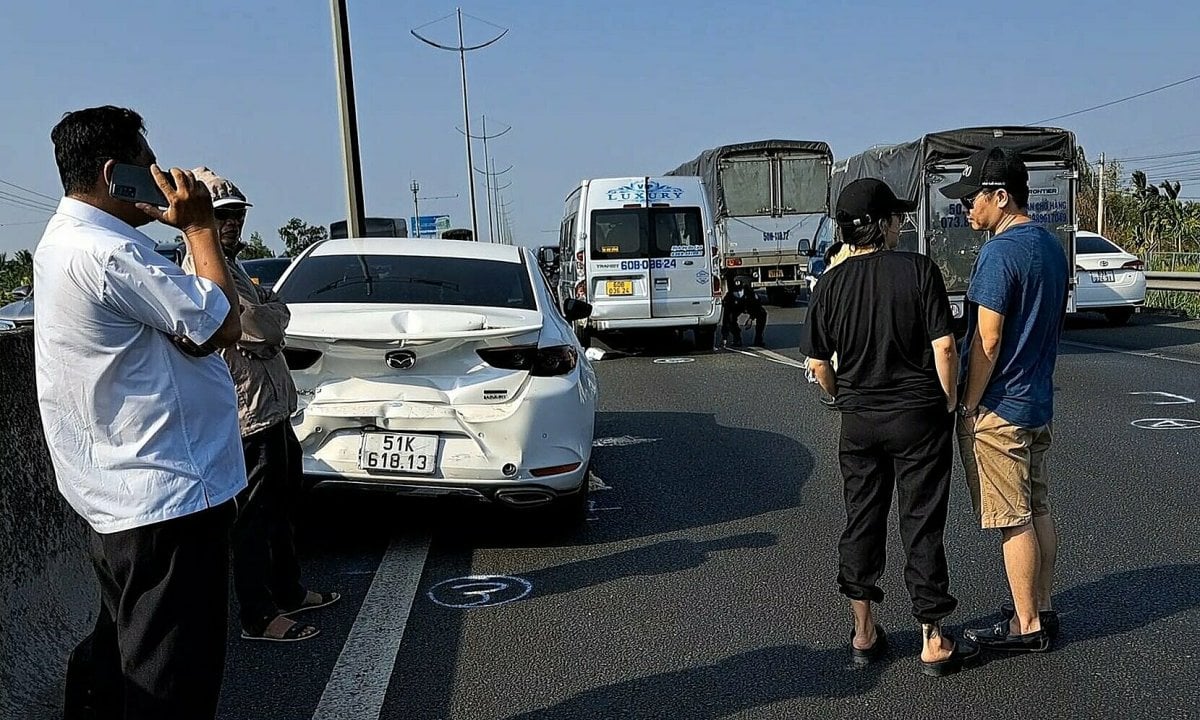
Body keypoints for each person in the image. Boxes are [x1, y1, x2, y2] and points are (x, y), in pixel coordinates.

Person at [34, 106, 244, 719]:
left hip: (117, 493)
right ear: (111, 174)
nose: (157, 178)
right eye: (145, 166)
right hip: (168, 498)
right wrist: (200, 228)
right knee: (171, 682)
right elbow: (222, 324)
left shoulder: (63, 241)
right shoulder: (108, 252)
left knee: (122, 659)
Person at [801, 178, 978, 677]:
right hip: (919, 418)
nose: (901, 223)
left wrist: (841, 395)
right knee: (920, 522)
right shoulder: (919, 270)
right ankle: (933, 638)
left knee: (862, 518)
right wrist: (947, 401)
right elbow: (945, 347)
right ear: (881, 225)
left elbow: (818, 362)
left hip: (859, 421)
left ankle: (863, 631)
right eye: (896, 217)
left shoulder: (831, 283)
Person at [182, 168, 339, 642]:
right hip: (245, 414)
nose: (232, 225)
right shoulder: (199, 268)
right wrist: (268, 318)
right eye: (222, 217)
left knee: (285, 503)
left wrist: (268, 315)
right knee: (253, 517)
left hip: (271, 406)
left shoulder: (233, 270)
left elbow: (272, 313)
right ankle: (258, 613)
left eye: (236, 216)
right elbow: (259, 326)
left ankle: (287, 591)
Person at [939, 146, 1068, 653]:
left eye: (973, 198)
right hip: (1037, 401)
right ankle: (1042, 606)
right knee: (1038, 508)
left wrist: (968, 405)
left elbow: (987, 342)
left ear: (1001, 196)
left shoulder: (998, 253)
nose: (966, 207)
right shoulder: (1051, 247)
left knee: (1012, 519)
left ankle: (1026, 624)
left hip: (1001, 407)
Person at [721, 276, 767, 347]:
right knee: (730, 318)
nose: (738, 293)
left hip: (749, 307)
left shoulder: (750, 294)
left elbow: (757, 307)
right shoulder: (729, 297)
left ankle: (758, 339)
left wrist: (751, 318)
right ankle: (737, 338)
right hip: (735, 308)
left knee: (762, 314)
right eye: (736, 292)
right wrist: (724, 336)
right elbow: (726, 317)